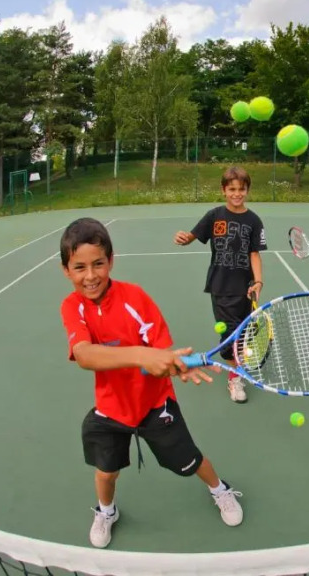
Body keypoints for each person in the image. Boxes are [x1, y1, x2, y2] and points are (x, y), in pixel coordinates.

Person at [59, 217, 244, 549]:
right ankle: (106, 511)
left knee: (190, 462)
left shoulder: (135, 298)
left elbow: (161, 353)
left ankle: (220, 489)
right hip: (110, 409)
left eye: (98, 264)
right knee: (106, 472)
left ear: (111, 261)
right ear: (66, 270)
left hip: (154, 404)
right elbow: (85, 355)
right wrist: (141, 357)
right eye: (80, 267)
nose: (90, 276)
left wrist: (173, 366)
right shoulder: (72, 307)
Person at [174, 167, 267, 403]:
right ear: (223, 190)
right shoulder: (214, 215)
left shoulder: (254, 220)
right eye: (232, 189)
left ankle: (237, 365)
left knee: (242, 333)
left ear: (247, 190)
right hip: (220, 286)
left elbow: (255, 253)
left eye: (241, 189)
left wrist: (258, 281)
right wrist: (184, 238)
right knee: (229, 335)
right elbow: (192, 237)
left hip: (245, 288)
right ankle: (235, 378)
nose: (237, 194)